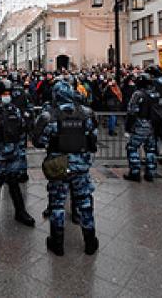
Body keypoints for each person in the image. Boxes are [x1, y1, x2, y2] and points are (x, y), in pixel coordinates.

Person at [34, 80, 99, 256]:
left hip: (59, 167)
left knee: (57, 205)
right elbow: (93, 139)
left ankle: (57, 243)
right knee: (85, 203)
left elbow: (37, 141)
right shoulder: (86, 113)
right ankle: (90, 242)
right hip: (81, 167)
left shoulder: (49, 116)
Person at [0, 79, 35, 230]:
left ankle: (20, 212)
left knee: (14, 183)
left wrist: (24, 124)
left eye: (8, 93)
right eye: (4, 94)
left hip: (13, 154)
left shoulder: (14, 109)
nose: (7, 96)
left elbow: (23, 127)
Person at [124, 73, 162, 182]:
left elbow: (132, 111)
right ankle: (150, 172)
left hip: (140, 124)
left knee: (132, 148)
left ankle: (135, 172)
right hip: (152, 125)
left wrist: (128, 127)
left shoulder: (138, 94)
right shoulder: (155, 94)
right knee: (151, 149)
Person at [9, 72, 34, 183]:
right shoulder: (25, 93)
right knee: (22, 150)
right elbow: (30, 110)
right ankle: (22, 173)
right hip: (22, 125)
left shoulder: (7, 93)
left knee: (10, 150)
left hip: (9, 126)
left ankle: (11, 174)